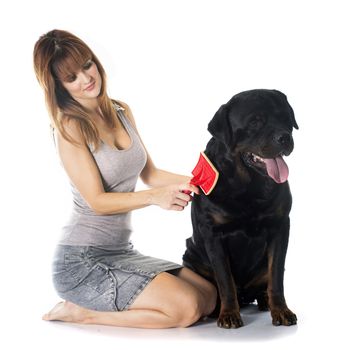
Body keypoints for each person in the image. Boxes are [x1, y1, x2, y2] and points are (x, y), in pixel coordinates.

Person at [33, 29, 217, 329]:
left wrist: (211, 183)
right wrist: (154, 198)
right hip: (82, 261)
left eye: (87, 65)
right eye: (71, 77)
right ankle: (81, 313)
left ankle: (97, 308)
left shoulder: (120, 110)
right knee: (188, 309)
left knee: (209, 296)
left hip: (121, 252)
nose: (86, 78)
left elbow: (151, 174)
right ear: (59, 87)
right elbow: (97, 202)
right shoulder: (69, 127)